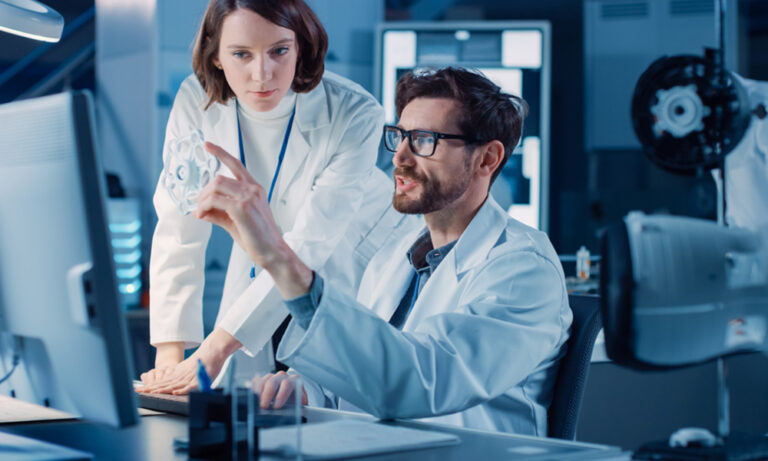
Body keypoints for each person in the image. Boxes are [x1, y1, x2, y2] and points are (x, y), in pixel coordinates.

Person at [195, 67, 573, 435]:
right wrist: (304, 389)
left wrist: (280, 259)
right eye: (399, 136)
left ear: (487, 158)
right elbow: (361, 367)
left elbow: (423, 380)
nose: (399, 158)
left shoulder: (523, 270)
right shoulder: (396, 255)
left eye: (424, 140)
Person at [140, 0, 416, 394]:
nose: (262, 74)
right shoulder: (195, 101)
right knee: (244, 393)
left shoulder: (355, 112)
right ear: (215, 55)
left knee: (327, 392)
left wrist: (212, 351)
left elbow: (313, 241)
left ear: (300, 46)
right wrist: (169, 359)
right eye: (241, 54)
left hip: (350, 258)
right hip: (260, 253)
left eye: (279, 51)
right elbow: (178, 224)